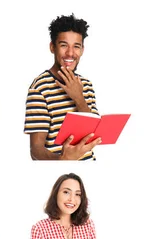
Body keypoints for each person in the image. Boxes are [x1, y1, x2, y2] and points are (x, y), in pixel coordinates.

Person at [24, 14, 102, 160]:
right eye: (64, 45)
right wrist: (63, 160)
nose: (70, 53)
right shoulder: (40, 88)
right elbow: (36, 150)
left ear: (82, 50)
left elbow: (94, 135)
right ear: (52, 47)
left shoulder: (86, 85)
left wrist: (79, 98)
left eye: (76, 47)